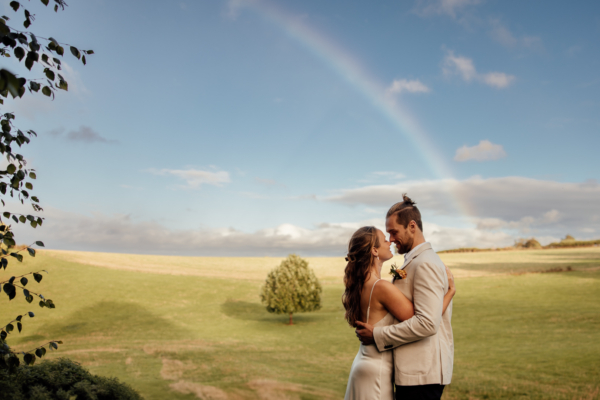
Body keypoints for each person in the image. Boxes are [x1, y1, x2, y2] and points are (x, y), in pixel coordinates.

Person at [354, 194, 455, 400]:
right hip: (414, 373)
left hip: (421, 375)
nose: (391, 239)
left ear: (412, 226)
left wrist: (377, 335)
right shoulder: (414, 262)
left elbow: (427, 323)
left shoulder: (424, 263)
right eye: (388, 234)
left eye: (393, 232)